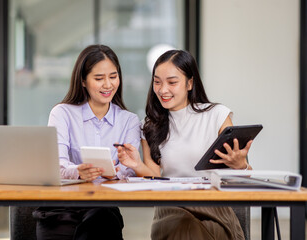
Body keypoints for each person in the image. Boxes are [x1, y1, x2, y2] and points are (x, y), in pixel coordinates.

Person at [116, 50, 250, 240]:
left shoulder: (217, 115)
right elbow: (154, 177)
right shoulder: (151, 126)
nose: (163, 90)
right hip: (170, 209)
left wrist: (240, 166)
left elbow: (243, 177)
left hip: (213, 209)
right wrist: (136, 165)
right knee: (183, 225)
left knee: (190, 229)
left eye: (172, 82)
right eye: (157, 82)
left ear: (189, 83)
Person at [33, 44, 141, 240]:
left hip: (103, 208)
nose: (108, 85)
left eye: (113, 76)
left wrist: (117, 172)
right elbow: (55, 165)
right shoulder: (62, 113)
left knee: (101, 220)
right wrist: (78, 172)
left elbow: (131, 169)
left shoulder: (129, 121)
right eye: (99, 78)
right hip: (60, 209)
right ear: (83, 81)